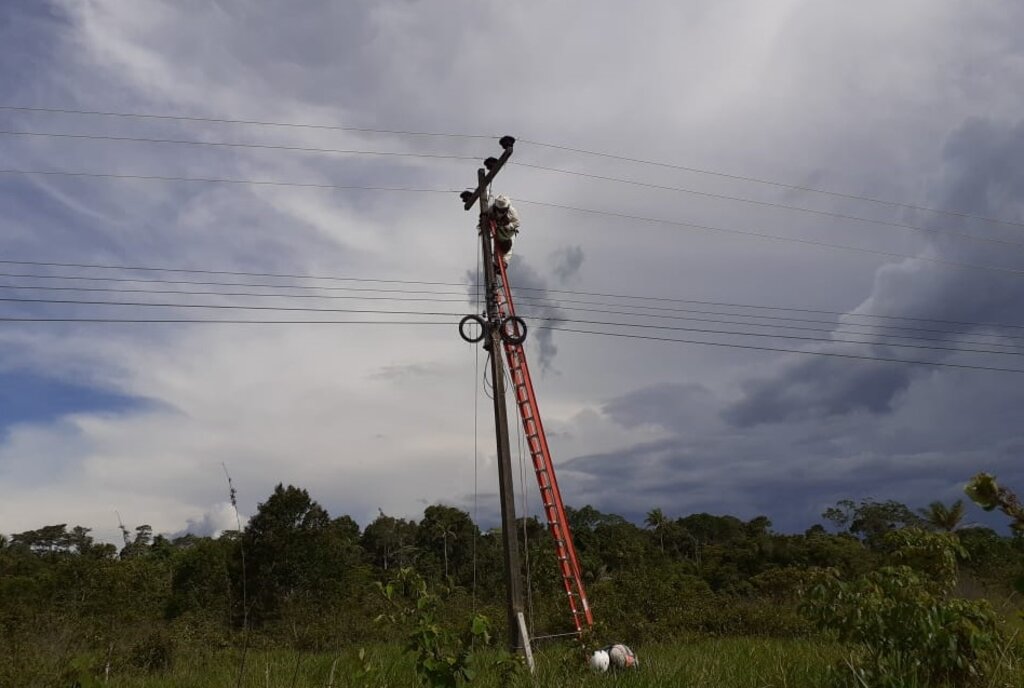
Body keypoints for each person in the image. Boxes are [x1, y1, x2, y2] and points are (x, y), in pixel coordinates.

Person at [479, 194, 520, 266]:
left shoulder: (512, 211)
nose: (501, 211)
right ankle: (497, 263)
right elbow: (487, 217)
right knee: (497, 245)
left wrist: (508, 226)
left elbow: (517, 222)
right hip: (498, 229)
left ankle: (505, 262)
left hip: (509, 230)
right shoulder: (492, 209)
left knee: (509, 243)